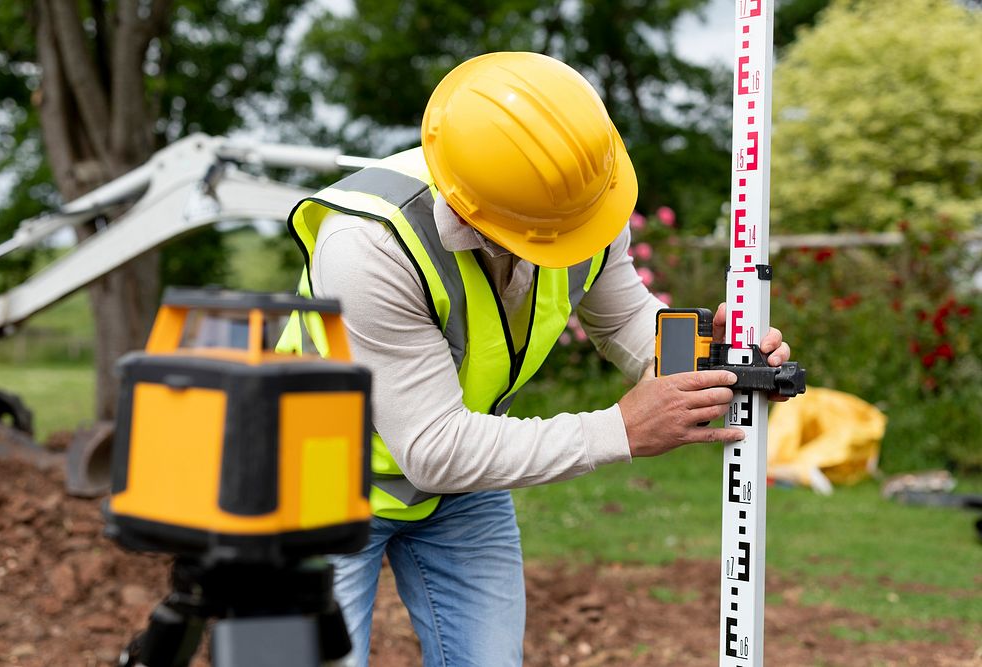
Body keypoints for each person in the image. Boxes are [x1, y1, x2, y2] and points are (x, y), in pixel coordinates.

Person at [282, 52, 791, 666]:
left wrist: (715, 359)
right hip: (318, 486)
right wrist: (620, 430)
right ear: (478, 219)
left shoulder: (578, 197)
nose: (583, 235)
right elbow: (433, 448)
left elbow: (623, 316)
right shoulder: (367, 247)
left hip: (461, 488)